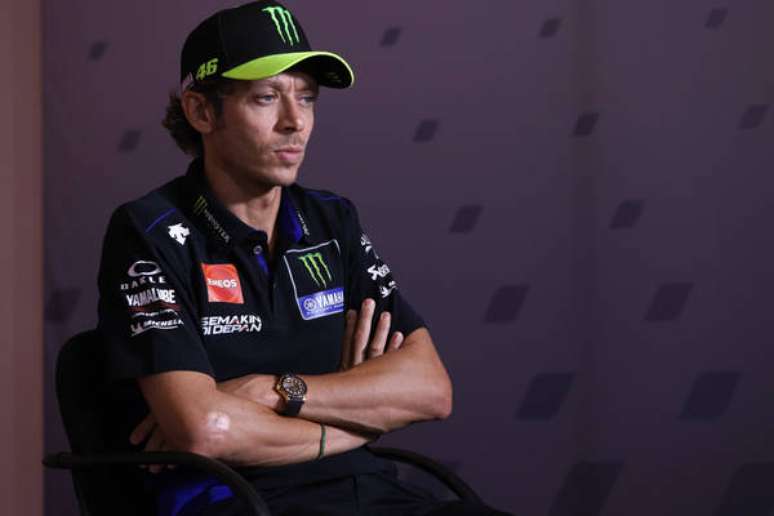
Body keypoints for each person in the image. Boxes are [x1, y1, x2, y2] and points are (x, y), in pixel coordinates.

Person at [97, 1, 511, 514]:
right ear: (201, 111)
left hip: (370, 492)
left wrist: (275, 391)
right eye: (267, 97)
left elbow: (430, 390)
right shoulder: (148, 231)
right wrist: (356, 424)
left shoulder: (332, 220)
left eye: (307, 98)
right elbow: (206, 431)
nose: (295, 122)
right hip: (237, 501)